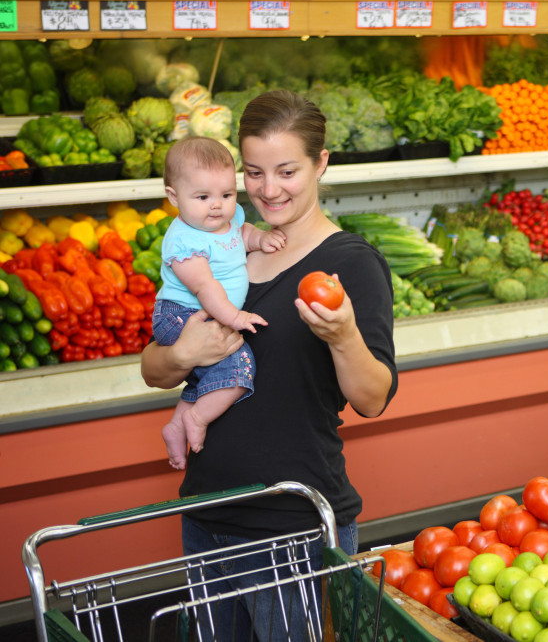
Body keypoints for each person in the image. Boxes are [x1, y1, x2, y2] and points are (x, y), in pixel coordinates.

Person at [140, 89, 397, 640]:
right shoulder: (216, 244)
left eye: (286, 171)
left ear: (321, 162)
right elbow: (153, 369)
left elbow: (373, 398)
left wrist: (345, 334)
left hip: (294, 526)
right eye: (253, 173)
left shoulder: (350, 264)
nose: (268, 190)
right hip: (208, 512)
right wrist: (182, 354)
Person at [155, 136, 286, 470]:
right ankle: (197, 418)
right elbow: (204, 286)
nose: (217, 205)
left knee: (205, 377)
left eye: (227, 195)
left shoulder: (223, 223)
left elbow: (239, 237)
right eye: (202, 197)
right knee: (238, 366)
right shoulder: (184, 240)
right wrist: (234, 316)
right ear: (174, 197)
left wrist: (260, 239)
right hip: (183, 314)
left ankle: (175, 426)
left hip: (207, 311)